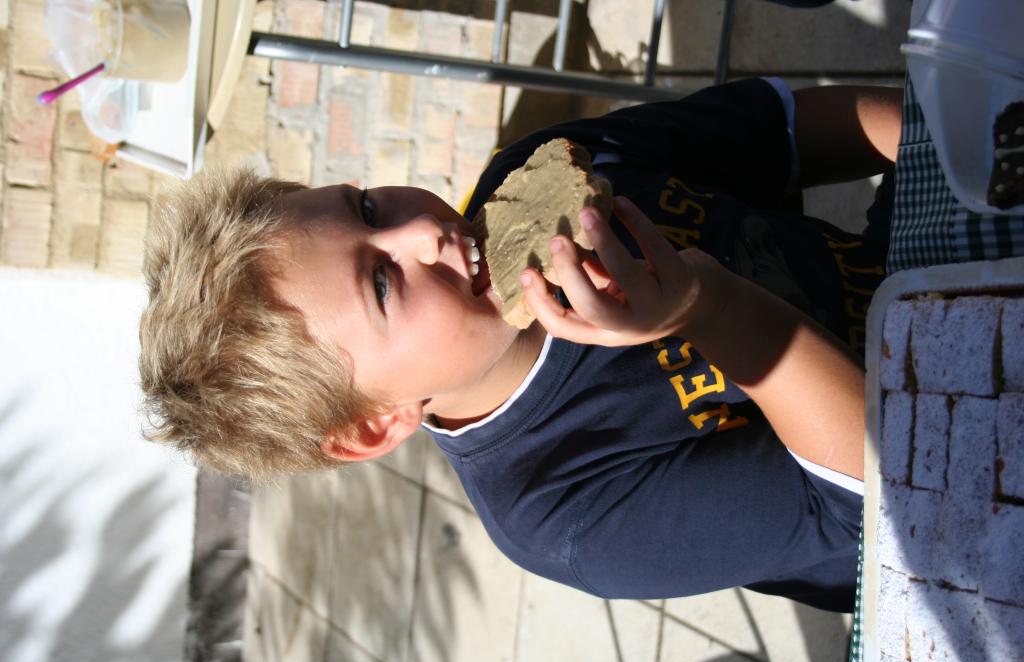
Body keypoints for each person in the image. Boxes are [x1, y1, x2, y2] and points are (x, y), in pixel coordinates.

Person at [139, 77, 901, 613]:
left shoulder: (540, 169)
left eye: (367, 205)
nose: (425, 230)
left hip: (912, 269)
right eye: (382, 283)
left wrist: (937, 137)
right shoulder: (563, 511)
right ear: (376, 423)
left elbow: (777, 132)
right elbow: (872, 495)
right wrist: (705, 307)